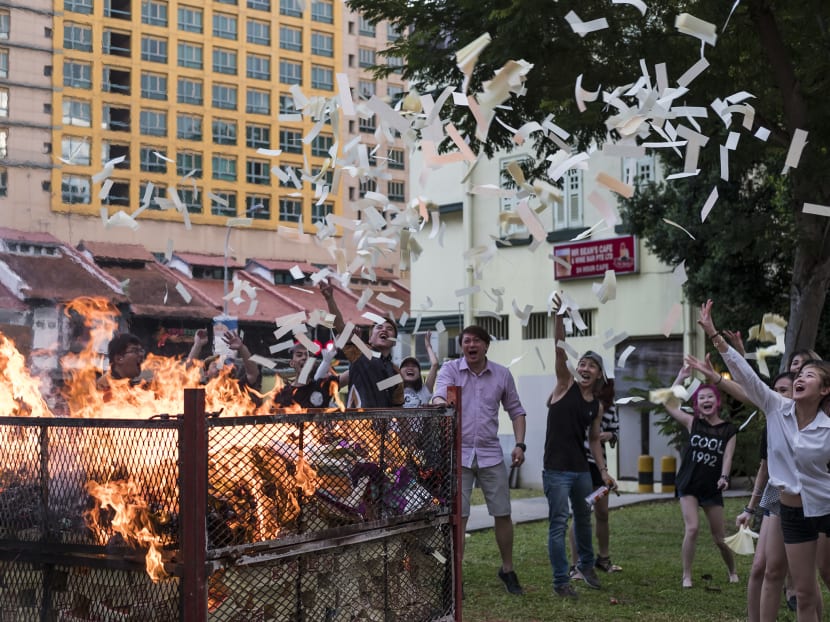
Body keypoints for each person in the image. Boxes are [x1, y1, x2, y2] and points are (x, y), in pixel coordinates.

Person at [700, 299, 830, 621]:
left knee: (821, 579)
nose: (800, 377)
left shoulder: (828, 427)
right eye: (799, 373)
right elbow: (746, 377)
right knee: (803, 592)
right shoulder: (775, 408)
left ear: (825, 389)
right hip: (792, 512)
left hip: (826, 509)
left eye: (810, 375)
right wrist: (716, 336)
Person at [431, 325, 527, 596]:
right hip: (457, 454)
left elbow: (516, 411)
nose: (470, 345)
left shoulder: (502, 374)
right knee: (458, 518)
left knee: (503, 513)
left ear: (486, 345)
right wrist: (439, 401)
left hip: (490, 454)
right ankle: (455, 576)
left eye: (476, 341)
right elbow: (439, 393)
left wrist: (519, 444)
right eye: (466, 341)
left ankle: (507, 569)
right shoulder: (450, 370)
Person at [545, 297, 616, 599]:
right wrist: (560, 316)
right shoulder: (564, 384)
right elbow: (560, 349)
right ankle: (562, 580)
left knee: (584, 519)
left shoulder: (597, 406)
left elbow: (593, 441)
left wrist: (603, 470)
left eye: (592, 366)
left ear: (599, 375)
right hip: (556, 470)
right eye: (583, 363)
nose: (585, 368)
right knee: (559, 524)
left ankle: (586, 565)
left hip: (581, 471)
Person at [665, 362, 738, 589]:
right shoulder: (692, 423)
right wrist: (680, 375)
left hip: (712, 487)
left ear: (717, 402)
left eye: (710, 397)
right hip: (688, 484)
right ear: (696, 405)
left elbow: (727, 457)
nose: (706, 401)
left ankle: (732, 570)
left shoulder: (729, 429)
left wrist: (724, 477)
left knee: (720, 538)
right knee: (693, 528)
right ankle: (686, 575)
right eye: (701, 399)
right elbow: (668, 403)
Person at [320, 281, 403, 408]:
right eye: (379, 327)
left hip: (380, 425)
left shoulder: (395, 373)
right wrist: (330, 299)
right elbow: (340, 326)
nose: (384, 330)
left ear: (394, 342)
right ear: (370, 339)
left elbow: (397, 407)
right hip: (356, 423)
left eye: (389, 329)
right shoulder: (361, 351)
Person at [569, 379, 621, 577]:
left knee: (602, 513)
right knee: (580, 513)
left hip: (599, 468)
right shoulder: (575, 399)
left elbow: (616, 433)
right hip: (579, 463)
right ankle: (576, 565)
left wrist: (609, 435)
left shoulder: (609, 406)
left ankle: (604, 558)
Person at [273, 342, 338, 409]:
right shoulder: (282, 394)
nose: (304, 358)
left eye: (307, 355)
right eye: (299, 355)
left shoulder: (321, 386)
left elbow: (347, 376)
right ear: (292, 363)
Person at [400, 330, 438, 408]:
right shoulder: (392, 391)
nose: (410, 368)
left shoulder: (424, 391)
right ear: (399, 372)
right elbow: (379, 385)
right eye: (406, 365)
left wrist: (428, 347)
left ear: (419, 374)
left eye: (414, 366)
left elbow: (434, 364)